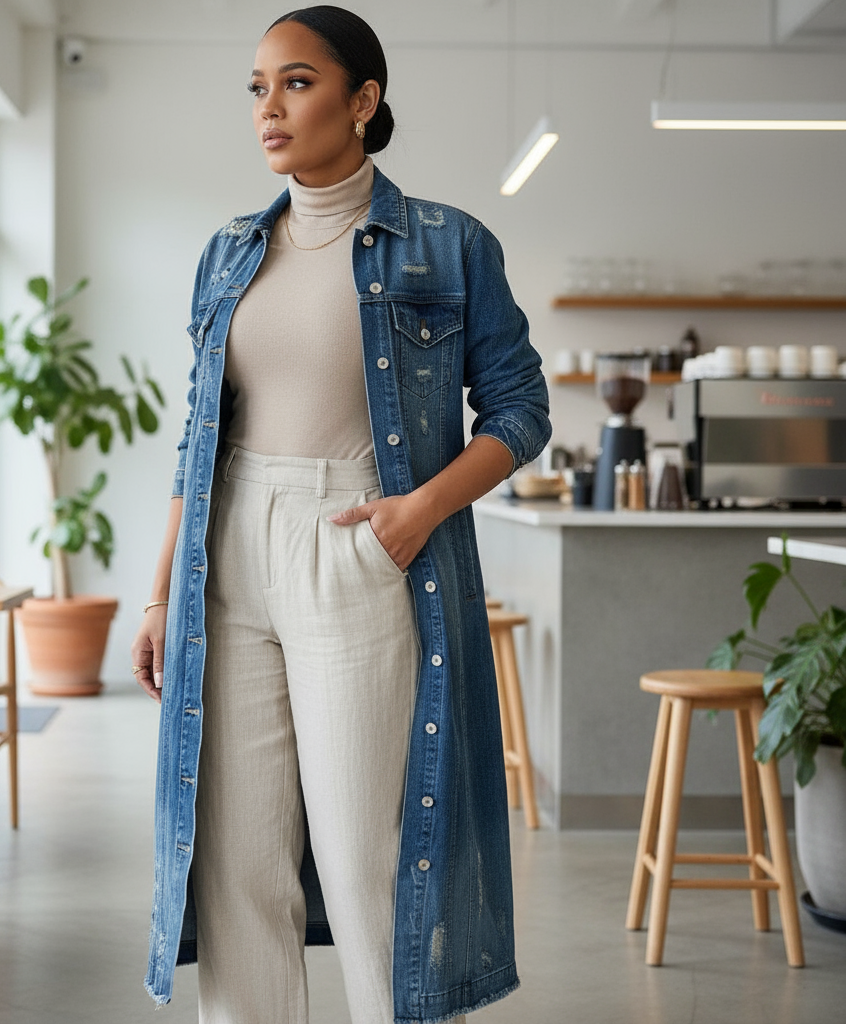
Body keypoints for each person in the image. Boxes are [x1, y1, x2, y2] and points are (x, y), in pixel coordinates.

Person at [132, 7, 551, 1023]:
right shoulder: (229, 251)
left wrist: (419, 511)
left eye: (297, 82)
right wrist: (158, 594)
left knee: (371, 859)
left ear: (363, 100)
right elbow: (198, 434)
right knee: (237, 870)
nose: (268, 108)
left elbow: (519, 409)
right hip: (228, 551)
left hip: (356, 542)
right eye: (257, 87)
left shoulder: (448, 244)